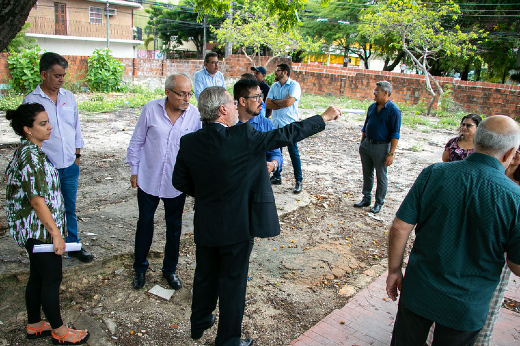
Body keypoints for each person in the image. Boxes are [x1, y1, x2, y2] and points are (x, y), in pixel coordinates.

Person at [172, 86, 341, 346]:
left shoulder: (190, 142)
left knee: (205, 274)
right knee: (233, 283)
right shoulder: (243, 136)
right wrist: (324, 117)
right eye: (231, 102)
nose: (234, 106)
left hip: (206, 223)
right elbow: (286, 134)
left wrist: (208, 193)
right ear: (222, 110)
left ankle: (200, 321)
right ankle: (228, 340)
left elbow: (179, 181)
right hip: (237, 227)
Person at [386, 115, 520, 346]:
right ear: (509, 154)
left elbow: (400, 227)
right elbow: (516, 266)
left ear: (477, 141)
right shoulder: (515, 198)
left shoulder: (434, 173)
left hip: (420, 290)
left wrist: (394, 271)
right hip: (467, 304)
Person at [5, 103, 90, 345]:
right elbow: (37, 201)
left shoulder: (29, 150)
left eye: (48, 121)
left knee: (38, 277)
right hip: (39, 230)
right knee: (51, 279)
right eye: (42, 123)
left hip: (33, 229)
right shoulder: (31, 157)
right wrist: (56, 235)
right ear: (27, 129)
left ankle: (34, 324)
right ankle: (60, 332)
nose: (49, 126)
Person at [126, 74, 202, 290]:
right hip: (148, 178)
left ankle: (169, 270)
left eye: (189, 93)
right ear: (168, 92)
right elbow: (137, 141)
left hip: (176, 182)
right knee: (145, 224)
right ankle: (140, 268)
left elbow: (196, 151)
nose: (187, 98)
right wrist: (134, 170)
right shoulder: (150, 109)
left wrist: (192, 180)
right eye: (182, 94)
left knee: (174, 228)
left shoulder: (194, 115)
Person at [23, 52, 93, 262]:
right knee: (47, 207)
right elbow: (27, 136)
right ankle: (49, 246)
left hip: (70, 164)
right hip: (46, 168)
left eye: (63, 75)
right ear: (44, 74)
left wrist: (77, 157)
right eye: (57, 76)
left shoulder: (68, 97)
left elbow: (75, 127)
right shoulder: (31, 101)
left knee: (69, 207)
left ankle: (72, 244)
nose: (61, 79)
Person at [473, 144, 520, 346]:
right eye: (515, 150)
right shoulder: (489, 174)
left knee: (488, 302)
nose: (515, 154)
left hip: (500, 252)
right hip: (476, 244)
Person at [354, 81, 401, 214]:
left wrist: (391, 153)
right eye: (375, 90)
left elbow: (395, 134)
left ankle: (379, 202)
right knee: (367, 173)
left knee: (381, 176)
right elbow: (365, 125)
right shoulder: (372, 107)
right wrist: (362, 143)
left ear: (386, 93)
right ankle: (366, 198)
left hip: (381, 147)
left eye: (377, 91)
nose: (374, 93)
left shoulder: (394, 111)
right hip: (367, 144)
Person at [235, 77, 282, 189]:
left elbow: (276, 153)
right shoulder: (228, 124)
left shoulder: (266, 124)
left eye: (261, 96)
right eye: (256, 97)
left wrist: (273, 164)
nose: (261, 101)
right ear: (242, 101)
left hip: (258, 186)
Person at [265, 63, 303, 193]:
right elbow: (267, 103)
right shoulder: (274, 86)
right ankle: (277, 176)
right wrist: (282, 102)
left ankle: (299, 180)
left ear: (285, 72)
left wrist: (277, 102)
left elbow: (289, 102)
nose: (275, 72)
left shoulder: (294, 86)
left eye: (278, 70)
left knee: (294, 153)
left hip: (290, 125)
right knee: (276, 152)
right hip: (276, 124)